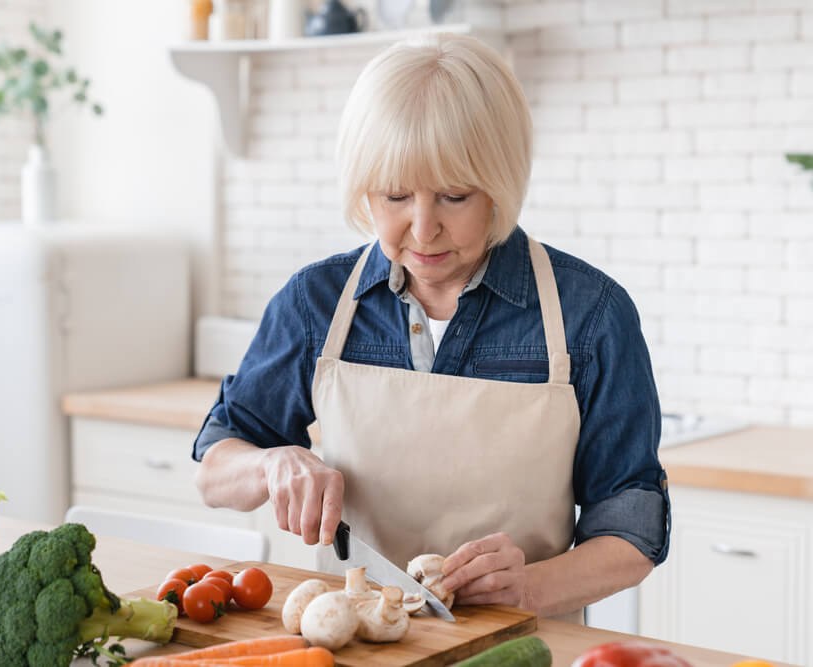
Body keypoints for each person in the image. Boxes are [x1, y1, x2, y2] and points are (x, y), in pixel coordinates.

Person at [191, 33, 668, 622]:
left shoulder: (590, 314)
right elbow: (215, 469)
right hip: (352, 647)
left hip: (519, 652)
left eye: (454, 196)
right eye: (394, 196)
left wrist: (529, 588)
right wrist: (271, 464)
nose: (422, 230)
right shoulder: (315, 304)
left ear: (501, 183)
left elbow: (632, 533)